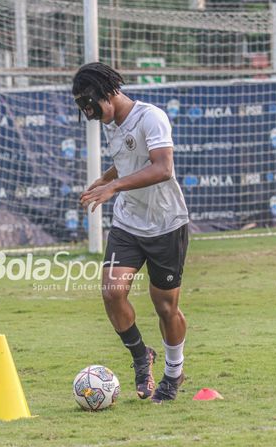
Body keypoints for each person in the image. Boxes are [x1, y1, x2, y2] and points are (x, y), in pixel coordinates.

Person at [74, 62, 190, 403]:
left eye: (94, 107)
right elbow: (128, 157)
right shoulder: (111, 121)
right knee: (112, 292)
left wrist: (116, 186)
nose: (93, 115)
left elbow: (162, 167)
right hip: (128, 223)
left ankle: (173, 371)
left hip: (166, 224)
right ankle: (142, 357)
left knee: (165, 307)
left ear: (109, 93)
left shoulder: (151, 117)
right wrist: (108, 178)